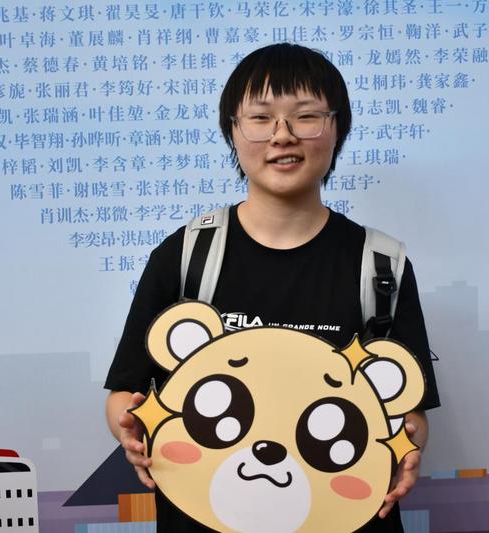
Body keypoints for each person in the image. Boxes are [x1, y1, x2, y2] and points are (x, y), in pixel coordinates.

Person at [105, 43, 440, 532]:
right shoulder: (185, 257)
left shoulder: (381, 265)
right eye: (260, 118)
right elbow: (125, 393)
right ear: (233, 131)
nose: (282, 135)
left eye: (306, 116)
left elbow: (411, 414)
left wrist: (409, 449)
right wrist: (130, 431)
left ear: (337, 129)